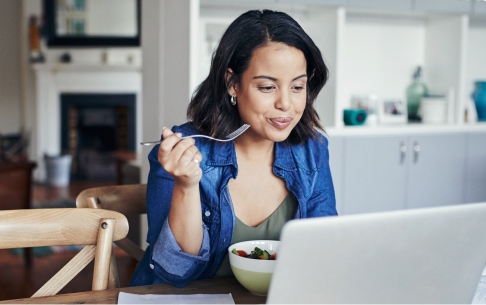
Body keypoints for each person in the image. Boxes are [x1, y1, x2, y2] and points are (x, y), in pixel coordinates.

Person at [130, 9, 337, 288]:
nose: (286, 104)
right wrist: (186, 186)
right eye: (267, 87)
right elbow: (176, 271)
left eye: (298, 87)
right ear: (233, 83)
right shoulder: (184, 152)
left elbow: (324, 251)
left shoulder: (312, 151)